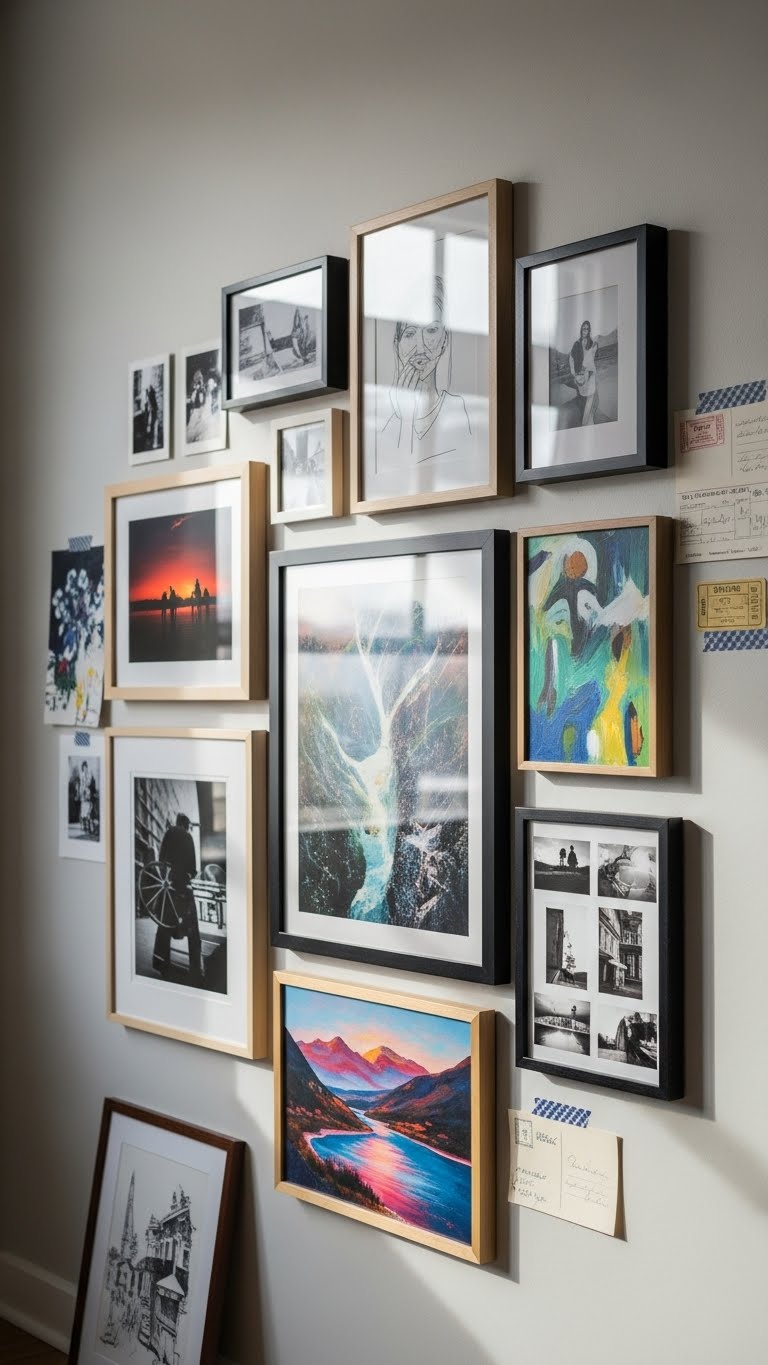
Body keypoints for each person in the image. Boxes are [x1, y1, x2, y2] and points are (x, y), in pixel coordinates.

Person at [377, 276, 472, 471]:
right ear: (397, 345)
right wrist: (405, 418)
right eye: (410, 333)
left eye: (431, 330)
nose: (420, 347)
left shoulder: (458, 411)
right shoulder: (383, 428)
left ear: (444, 340)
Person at [152, 813, 203, 986]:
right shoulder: (188, 837)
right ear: (186, 825)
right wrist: (187, 876)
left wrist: (168, 877)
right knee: (193, 931)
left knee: (164, 926)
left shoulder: (168, 833)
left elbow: (160, 860)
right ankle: (195, 969)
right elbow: (192, 869)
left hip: (168, 886)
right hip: (182, 889)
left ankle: (161, 963)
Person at [568, 319, 599, 425]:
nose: (585, 330)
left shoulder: (592, 343)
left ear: (589, 330)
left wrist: (589, 371)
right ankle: (586, 422)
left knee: (591, 397)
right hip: (580, 374)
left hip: (590, 373)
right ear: (581, 329)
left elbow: (591, 359)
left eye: (587, 329)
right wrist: (574, 373)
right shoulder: (576, 344)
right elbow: (571, 358)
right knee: (584, 398)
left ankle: (587, 422)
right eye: (583, 328)